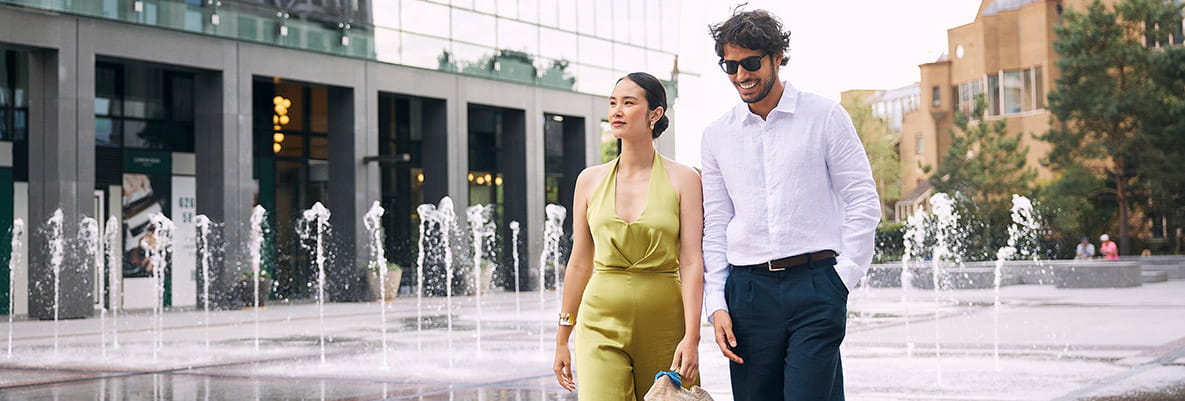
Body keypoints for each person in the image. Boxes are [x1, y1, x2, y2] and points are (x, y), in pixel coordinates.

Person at [701, 9, 880, 401]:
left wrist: (843, 278)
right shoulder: (716, 136)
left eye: (751, 63)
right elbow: (715, 222)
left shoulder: (825, 116)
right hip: (747, 293)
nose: (741, 75)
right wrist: (716, 303)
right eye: (730, 66)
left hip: (815, 285)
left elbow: (862, 199)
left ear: (777, 57)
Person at [553, 72, 706, 400]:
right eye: (612, 103)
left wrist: (691, 337)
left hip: (666, 323)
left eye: (628, 102)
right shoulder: (589, 180)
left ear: (655, 114)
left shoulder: (685, 179)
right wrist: (562, 336)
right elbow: (579, 262)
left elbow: (692, 261)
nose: (616, 111)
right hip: (599, 322)